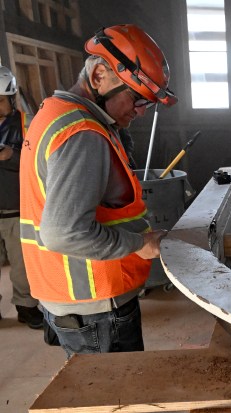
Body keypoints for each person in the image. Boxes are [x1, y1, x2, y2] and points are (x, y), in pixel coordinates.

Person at [19, 24, 177, 356]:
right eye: (135, 98)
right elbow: (63, 233)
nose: (138, 111)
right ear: (100, 75)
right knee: (122, 402)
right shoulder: (82, 133)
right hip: (96, 305)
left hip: (71, 299)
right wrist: (141, 243)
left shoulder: (52, 115)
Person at [0, 65, 44, 329]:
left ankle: (26, 308)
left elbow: (39, 160)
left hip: (17, 209)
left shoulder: (29, 123)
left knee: (21, 265)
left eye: (0, 100)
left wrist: (11, 156)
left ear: (12, 97)